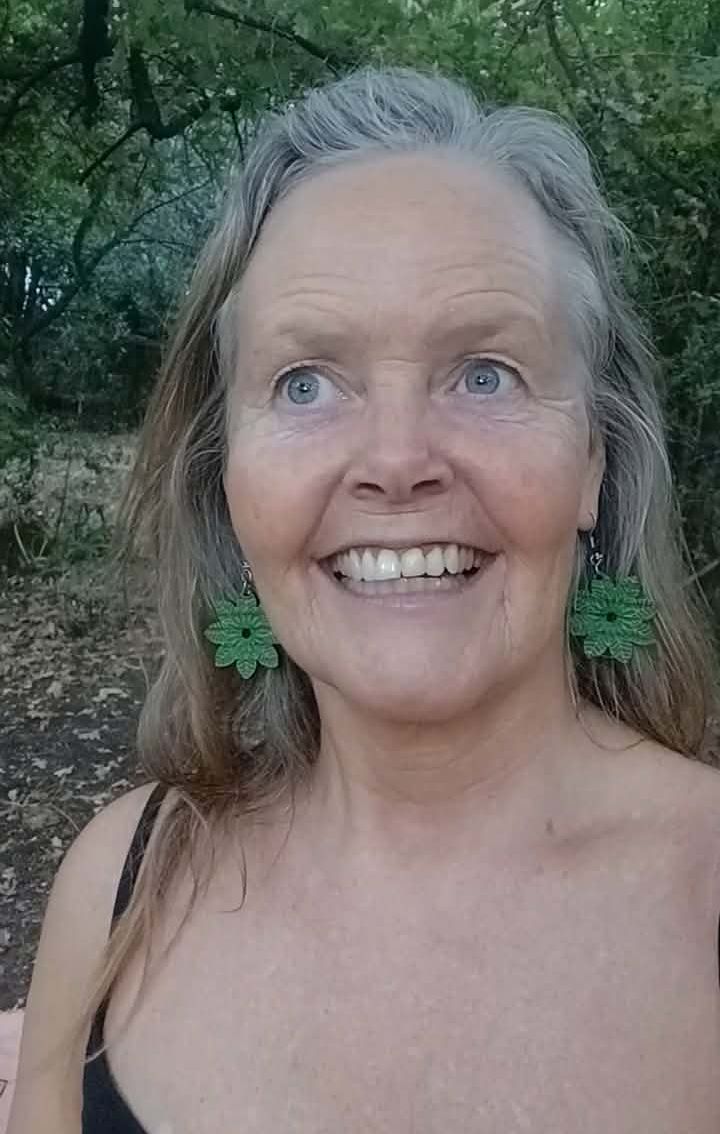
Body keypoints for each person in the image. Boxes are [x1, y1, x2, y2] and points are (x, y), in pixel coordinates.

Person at [8, 66, 720, 1134]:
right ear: (228, 479)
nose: (395, 461)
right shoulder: (117, 893)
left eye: (485, 374)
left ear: (593, 462)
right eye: (305, 384)